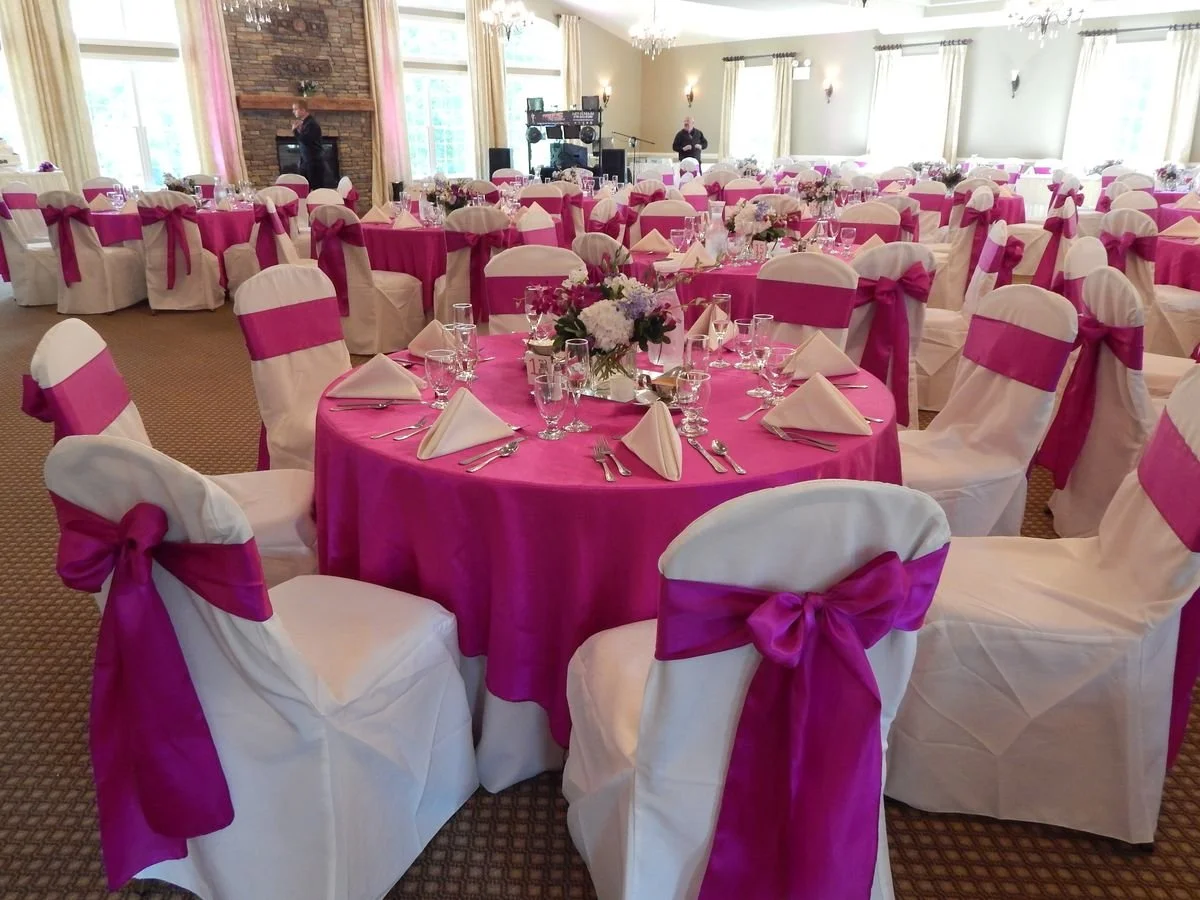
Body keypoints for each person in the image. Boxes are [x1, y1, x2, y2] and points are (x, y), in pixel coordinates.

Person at [291, 100, 324, 190]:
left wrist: (294, 130)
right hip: (307, 161)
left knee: (316, 191)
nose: (293, 111)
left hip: (313, 162)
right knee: (305, 189)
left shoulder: (311, 124)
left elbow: (306, 140)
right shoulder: (305, 123)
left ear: (303, 110)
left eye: (295, 109)